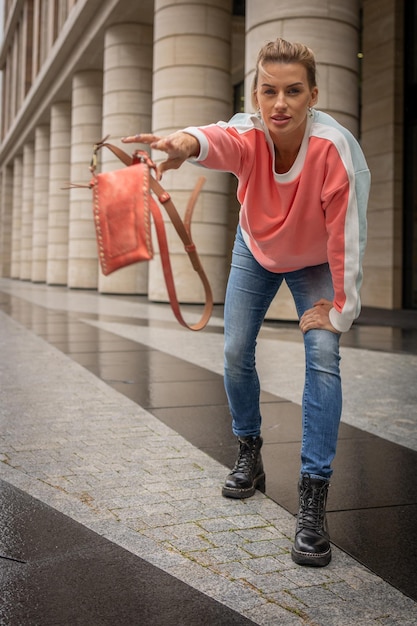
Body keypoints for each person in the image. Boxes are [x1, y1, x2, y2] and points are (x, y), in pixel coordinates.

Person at [122, 37, 370, 568]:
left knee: (324, 358)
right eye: (269, 91)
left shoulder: (335, 150)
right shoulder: (250, 131)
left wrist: (340, 309)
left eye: (293, 91)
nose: (280, 103)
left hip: (316, 259)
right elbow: (215, 138)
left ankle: (312, 496)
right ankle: (249, 452)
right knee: (235, 350)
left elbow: (348, 236)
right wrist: (184, 144)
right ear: (256, 95)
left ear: (313, 95)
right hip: (256, 246)